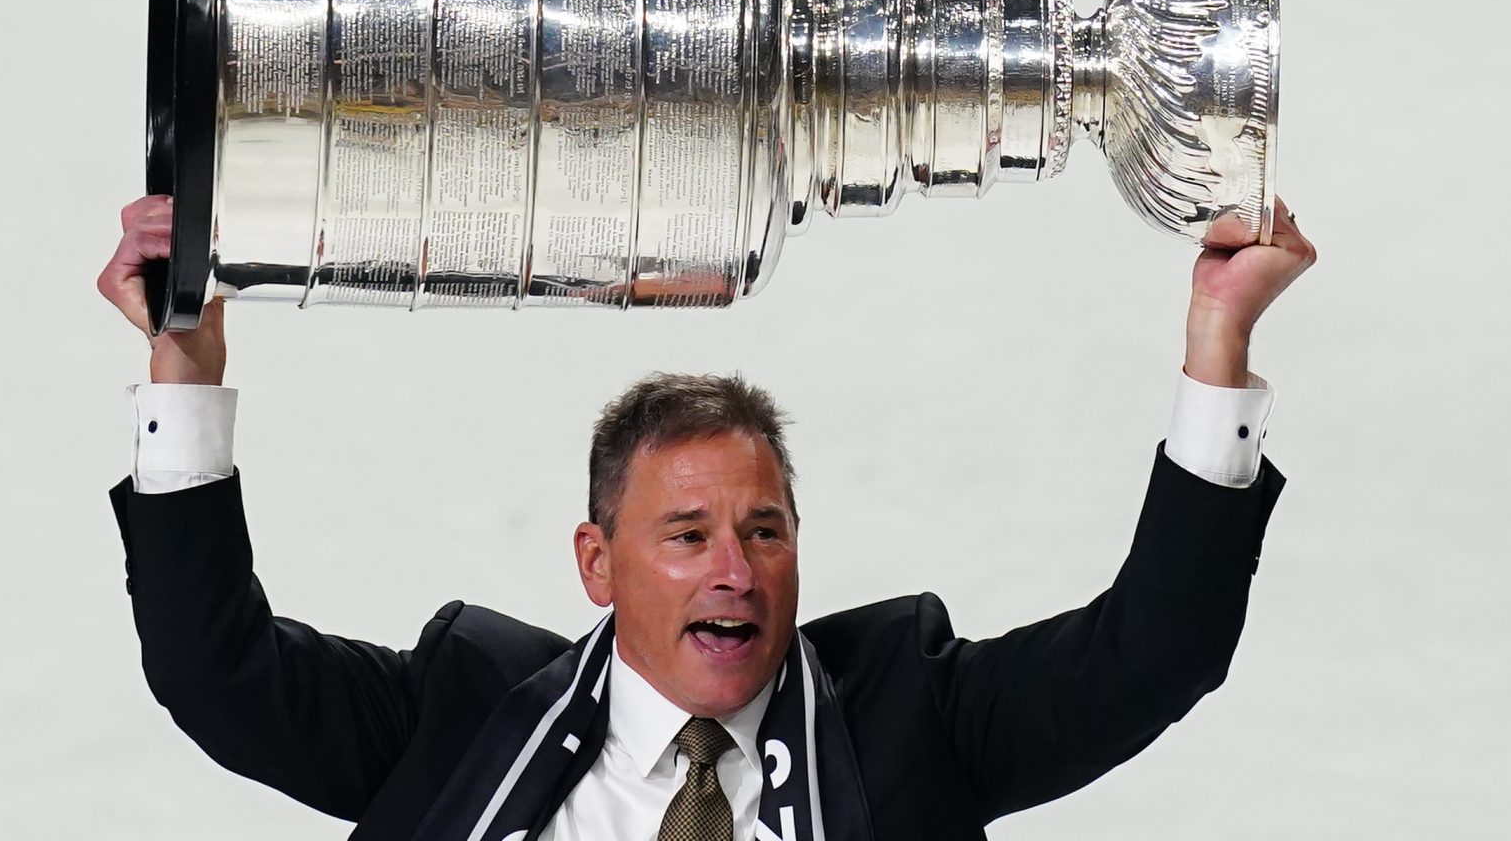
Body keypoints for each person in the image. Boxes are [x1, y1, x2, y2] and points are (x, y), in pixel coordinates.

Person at [99, 194, 1315, 841]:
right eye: (686, 536)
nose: (735, 569)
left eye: (765, 531)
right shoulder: (456, 711)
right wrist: (182, 374)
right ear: (598, 563)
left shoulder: (913, 719)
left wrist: (1219, 344)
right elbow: (217, 671)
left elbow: (1154, 654)